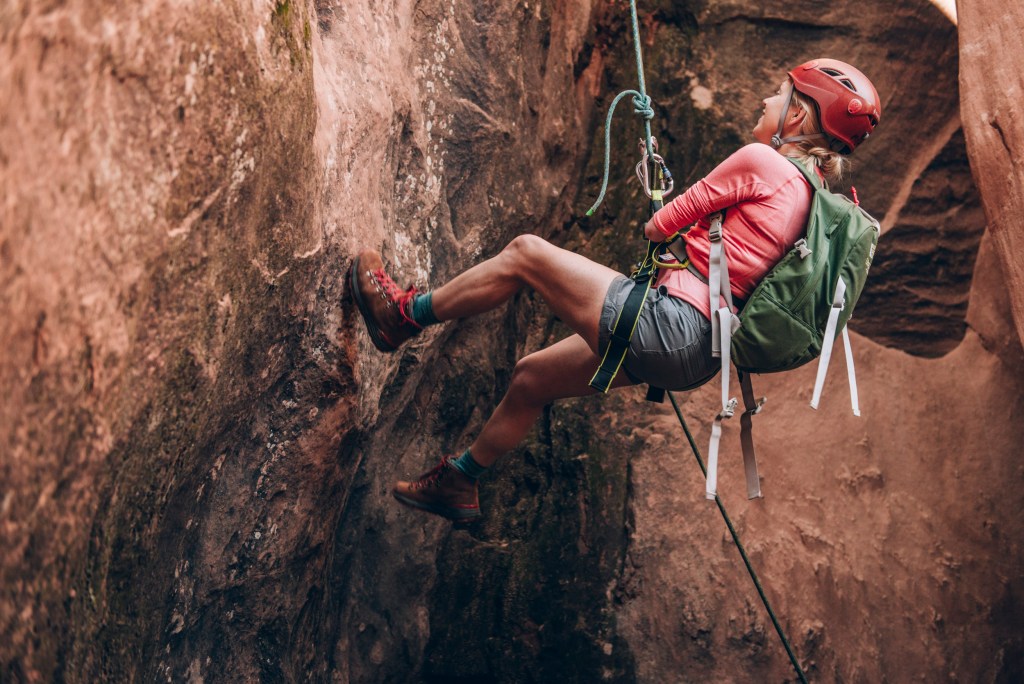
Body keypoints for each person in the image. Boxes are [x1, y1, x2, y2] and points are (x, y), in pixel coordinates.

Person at [349, 59, 881, 521]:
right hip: (698, 358)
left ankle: (404, 316)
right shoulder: (811, 204)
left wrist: (661, 195)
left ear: (796, 116)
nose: (768, 99)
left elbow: (658, 225)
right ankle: (461, 481)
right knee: (532, 378)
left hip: (669, 323)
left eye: (780, 94)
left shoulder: (763, 161)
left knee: (525, 253)